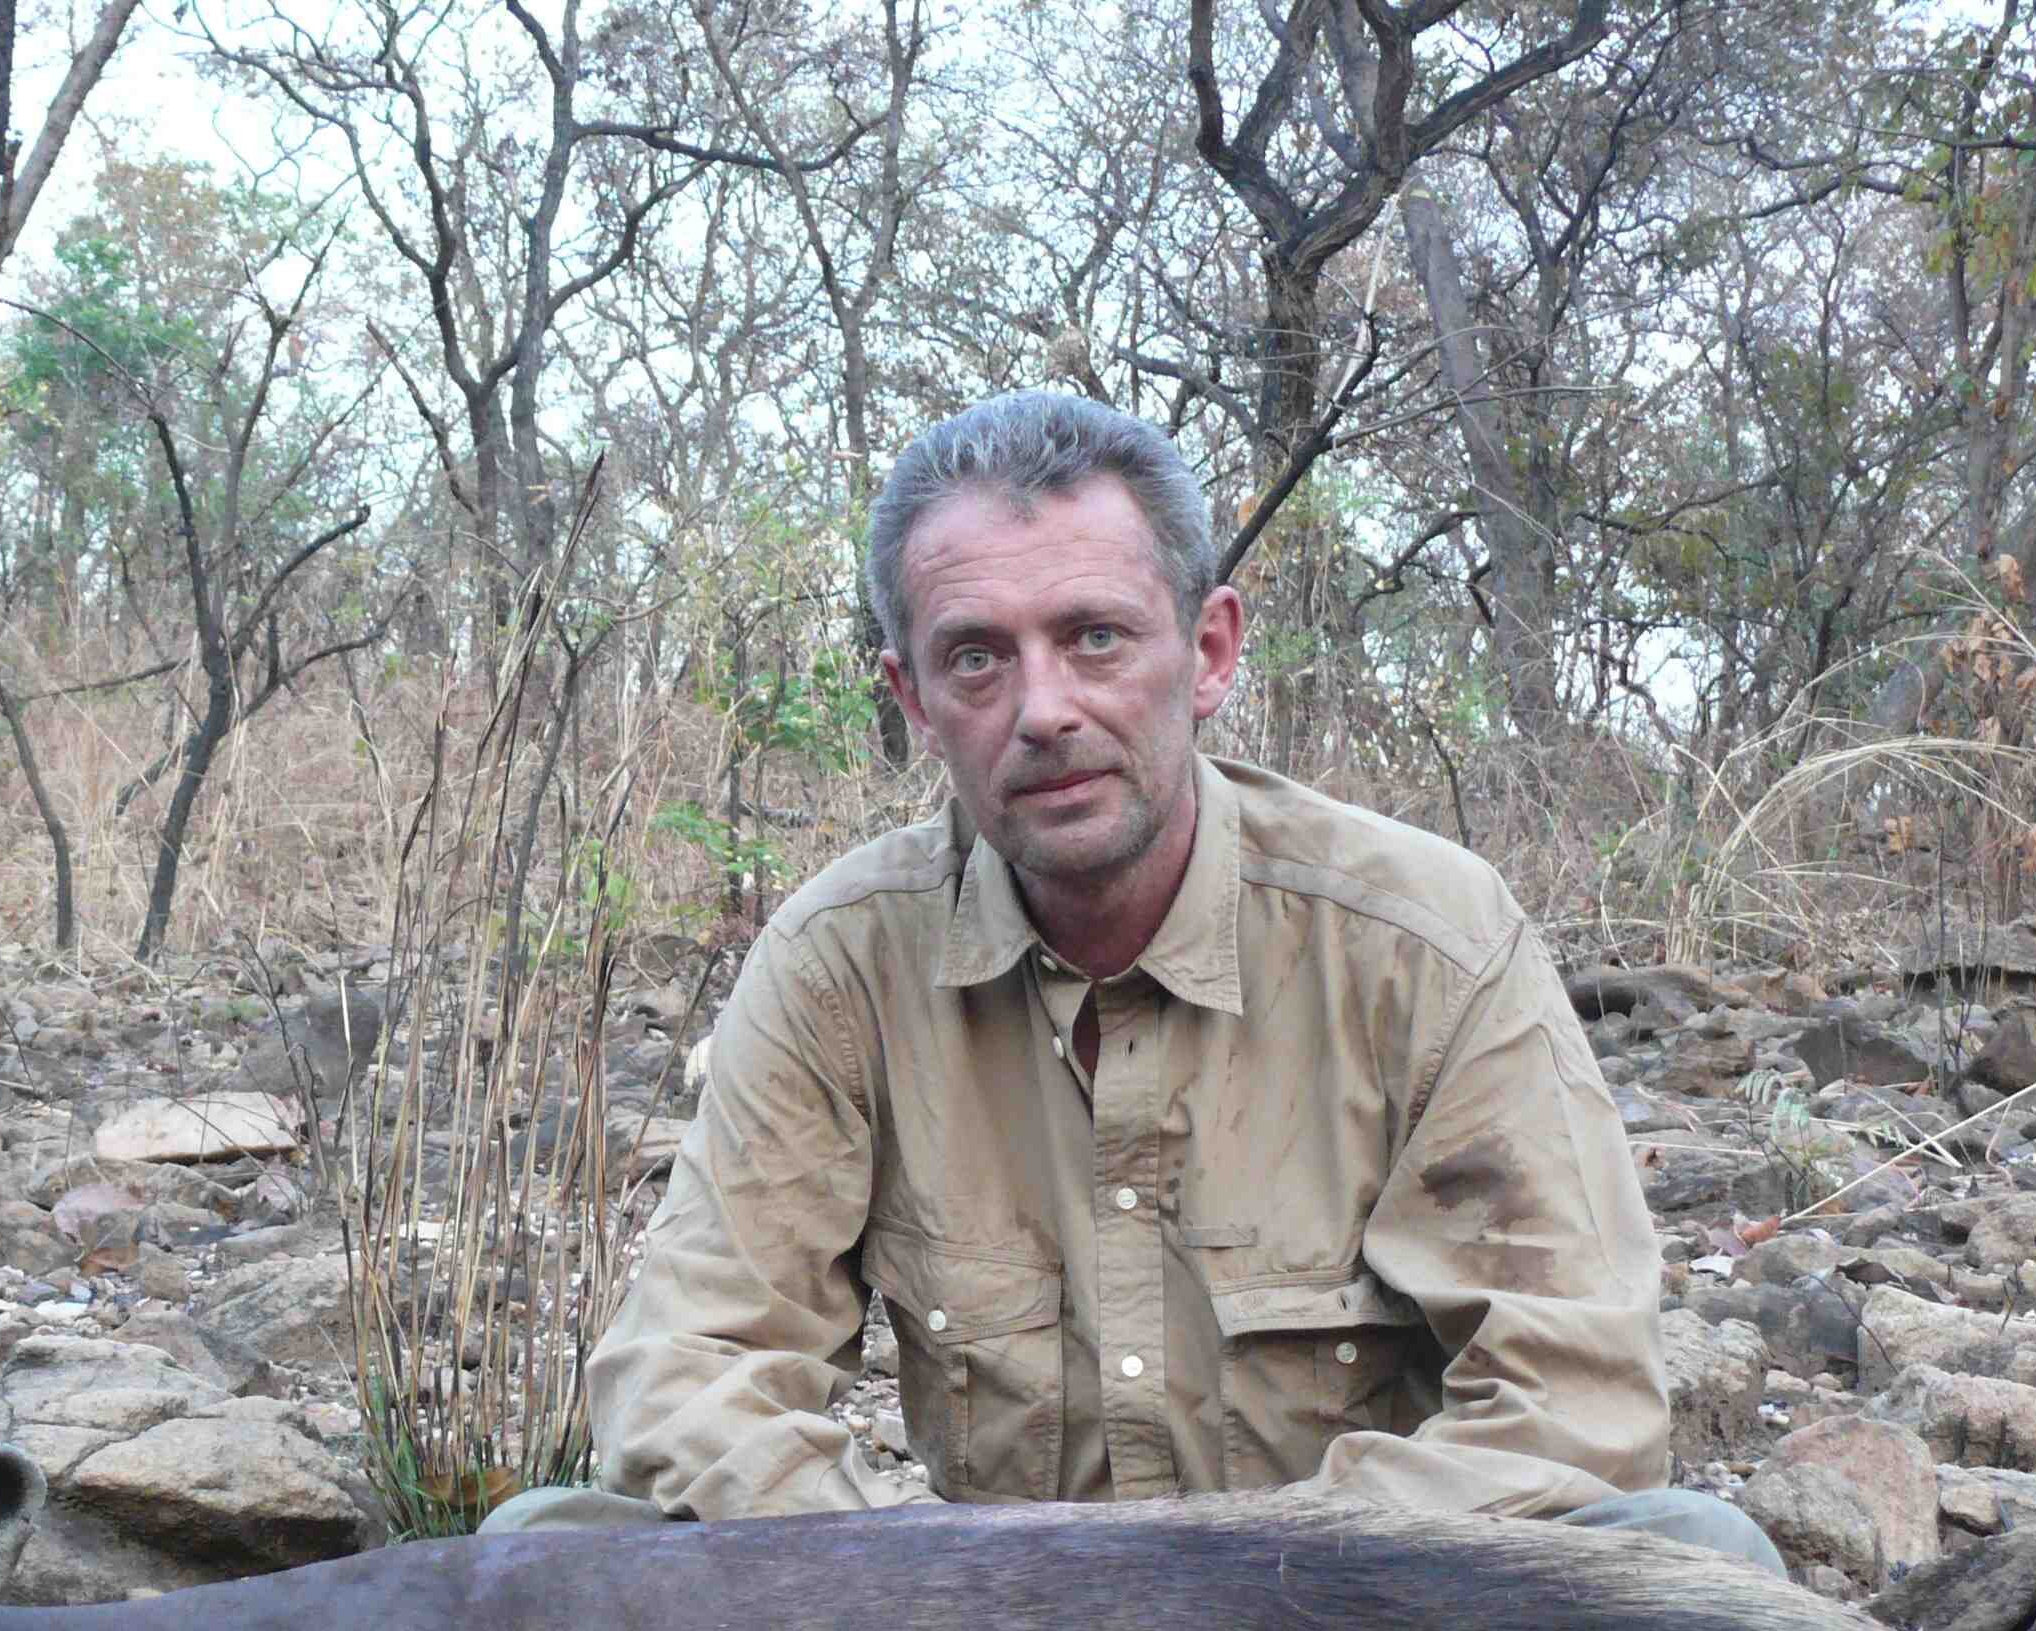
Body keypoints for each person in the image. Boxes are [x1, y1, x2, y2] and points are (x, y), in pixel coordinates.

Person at [492, 391, 1774, 1570]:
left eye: (1095, 637)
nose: (1042, 708)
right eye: (978, 658)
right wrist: (926, 1599)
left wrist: (1225, 1615)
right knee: (547, 1554)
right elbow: (692, 1373)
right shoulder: (840, 962)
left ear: (1209, 652)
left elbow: (1575, 1403)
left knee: (1698, 1556)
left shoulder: (1425, 940)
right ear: (915, 702)